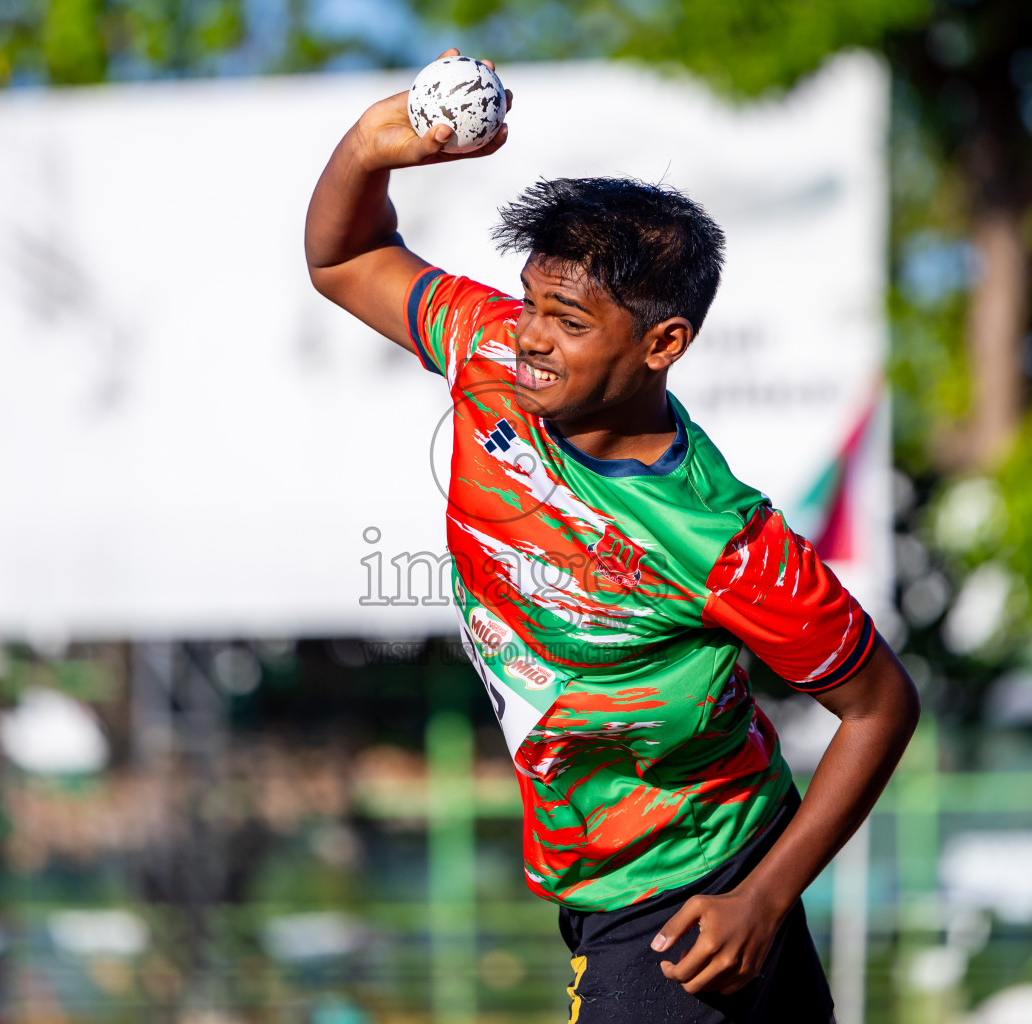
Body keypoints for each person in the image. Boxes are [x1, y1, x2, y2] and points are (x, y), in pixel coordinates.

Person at [304, 49, 920, 1023]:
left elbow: (881, 704)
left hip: (684, 899)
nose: (533, 336)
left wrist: (761, 900)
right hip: (625, 878)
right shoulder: (490, 350)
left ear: (662, 344)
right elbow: (343, 259)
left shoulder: (719, 538)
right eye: (532, 302)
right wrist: (368, 148)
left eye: (569, 319)